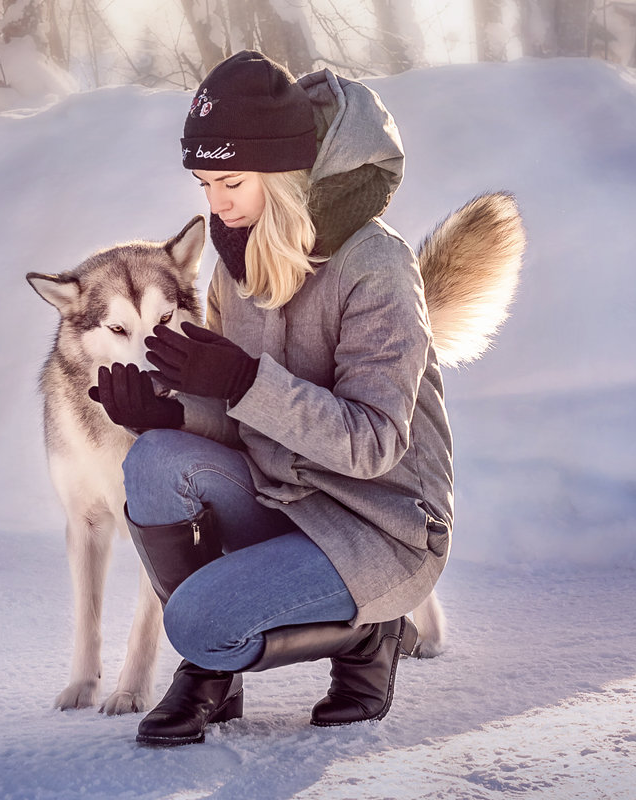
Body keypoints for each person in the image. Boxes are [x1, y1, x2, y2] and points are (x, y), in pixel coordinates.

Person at [91, 51, 453, 747]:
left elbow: (373, 443)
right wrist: (169, 413)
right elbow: (243, 423)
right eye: (203, 182)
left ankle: (364, 634)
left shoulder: (376, 264)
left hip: (381, 525)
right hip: (286, 496)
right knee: (154, 459)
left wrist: (239, 380)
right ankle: (214, 676)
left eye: (230, 180)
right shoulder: (239, 264)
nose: (215, 202)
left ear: (285, 175)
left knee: (195, 620)